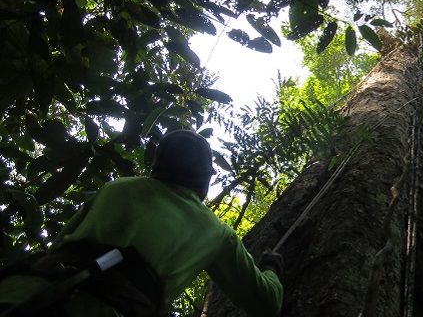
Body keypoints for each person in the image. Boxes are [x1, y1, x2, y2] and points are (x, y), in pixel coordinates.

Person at [0, 129, 283, 316]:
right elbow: (266, 303)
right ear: (205, 177)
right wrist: (271, 266)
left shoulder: (118, 187)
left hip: (23, 296)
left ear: (157, 165)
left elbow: (60, 243)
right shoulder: (215, 232)